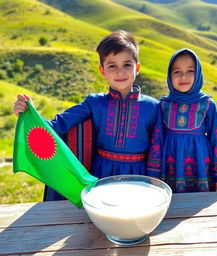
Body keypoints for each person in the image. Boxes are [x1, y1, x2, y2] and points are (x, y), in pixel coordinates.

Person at [14, 30, 162, 180]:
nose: (120, 72)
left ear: (137, 68)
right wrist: (30, 114)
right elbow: (57, 126)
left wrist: (153, 179)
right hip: (101, 172)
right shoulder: (94, 102)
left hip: (138, 174)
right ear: (102, 71)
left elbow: (158, 146)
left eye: (127, 64)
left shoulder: (153, 106)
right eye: (112, 66)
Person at [160, 48, 217, 193]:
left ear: (199, 74)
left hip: (201, 163)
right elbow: (156, 139)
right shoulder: (164, 105)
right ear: (169, 76)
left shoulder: (207, 104)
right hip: (171, 164)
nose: (184, 77)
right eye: (177, 71)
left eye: (190, 71)